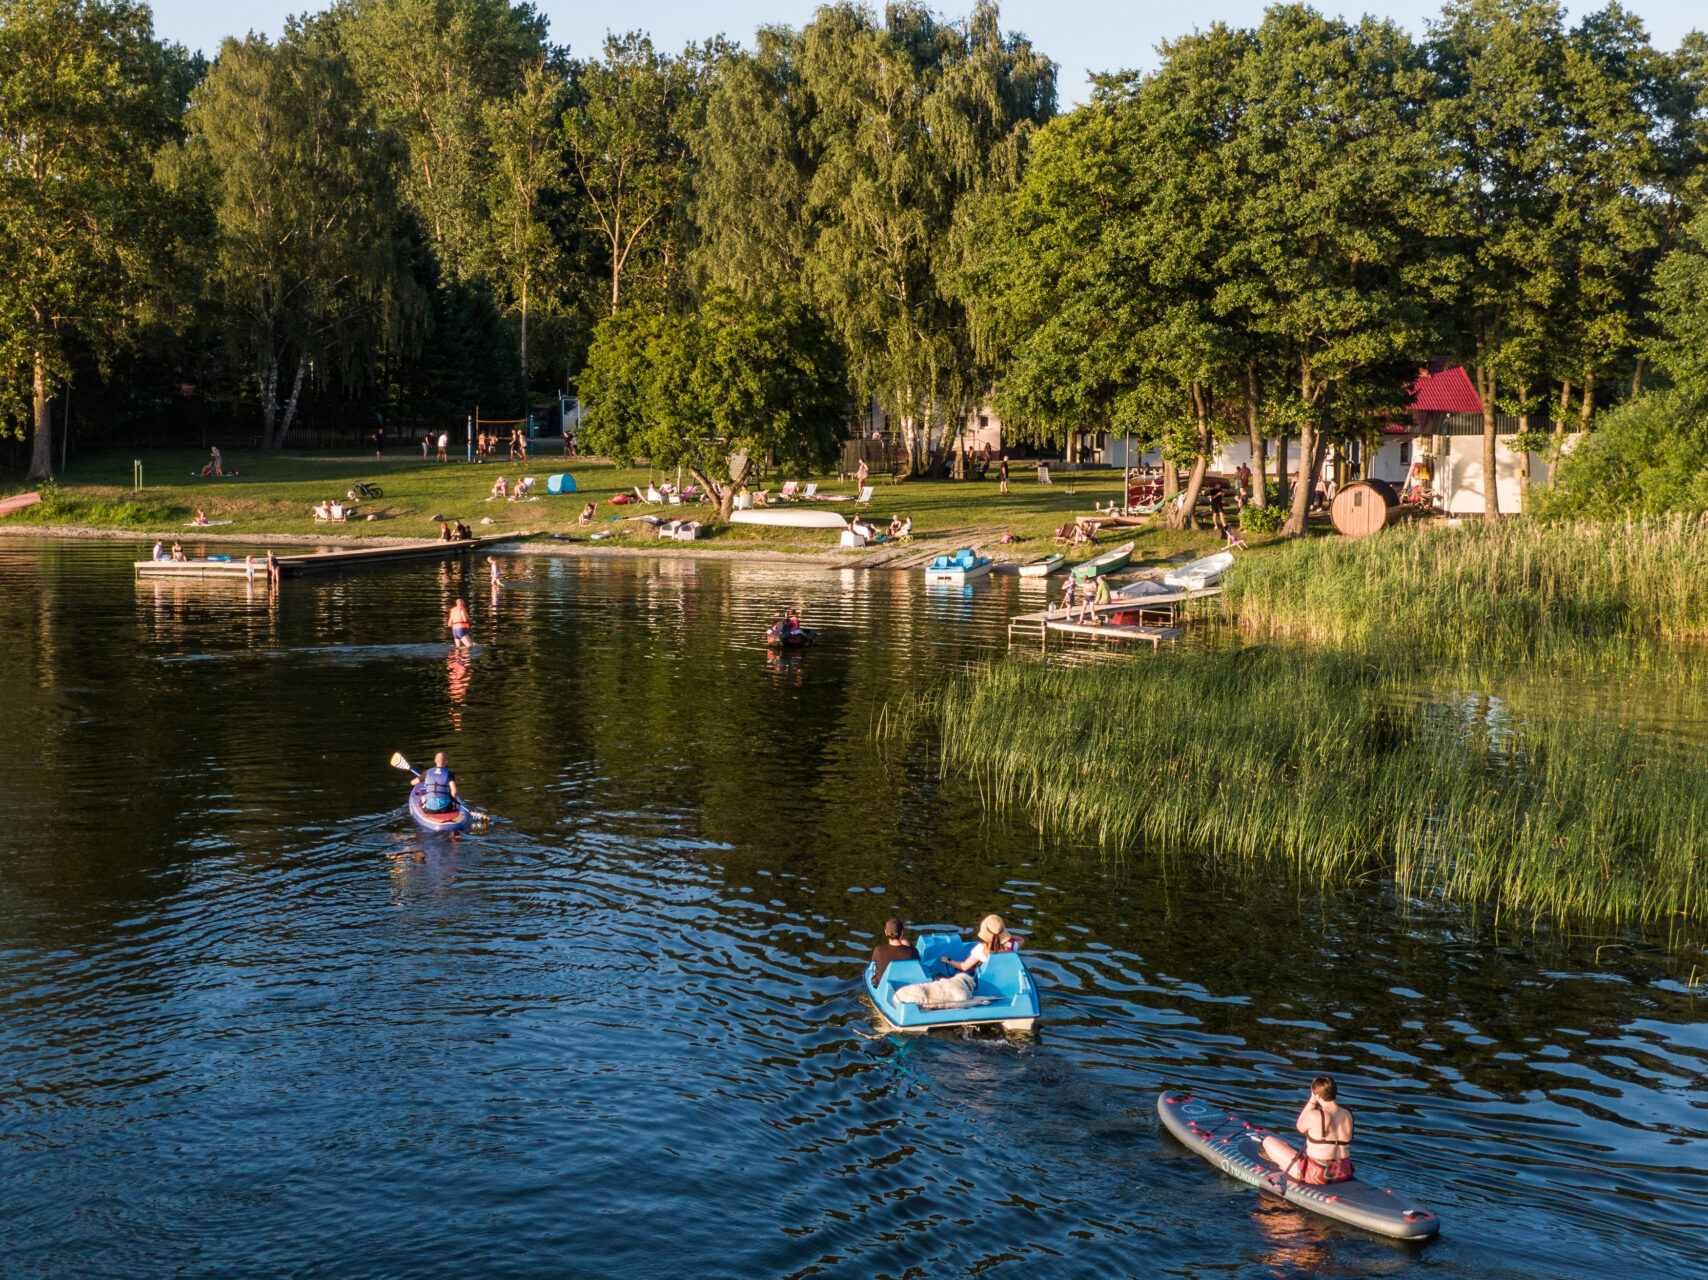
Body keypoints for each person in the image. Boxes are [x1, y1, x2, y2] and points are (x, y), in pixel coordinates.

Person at [1258, 1075, 1354, 1186]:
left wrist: (1312, 1101)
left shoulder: (1315, 1115)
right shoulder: (1348, 1114)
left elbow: (1299, 1126)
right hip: (1344, 1172)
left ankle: (1284, 1164)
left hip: (1318, 1175)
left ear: (1317, 1095)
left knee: (1268, 1141)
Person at [939, 914, 1019, 974]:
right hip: (1002, 974)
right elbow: (1021, 940)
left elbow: (963, 966)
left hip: (986, 977)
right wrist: (1006, 937)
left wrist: (947, 960)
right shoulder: (1013, 945)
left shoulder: (981, 949)